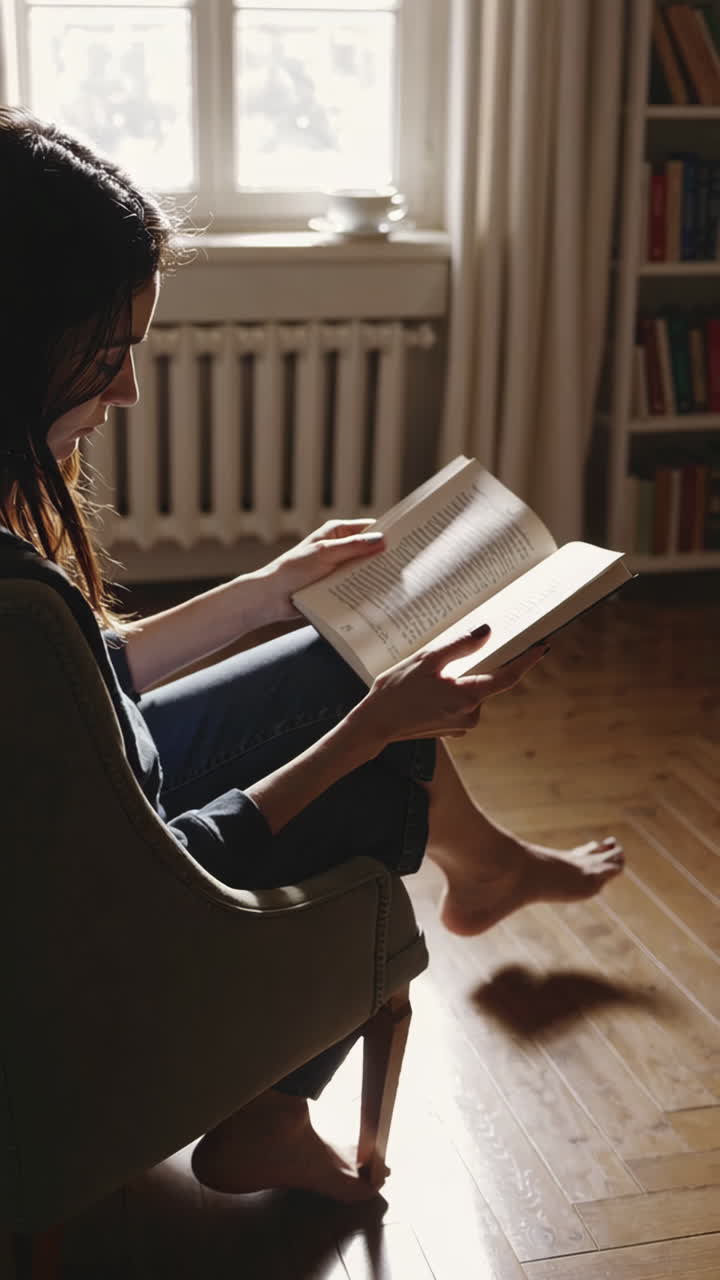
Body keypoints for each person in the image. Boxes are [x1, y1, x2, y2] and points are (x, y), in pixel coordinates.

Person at [0, 106, 624, 1205]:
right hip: (116, 902)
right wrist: (371, 732)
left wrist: (264, 589)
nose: (127, 395)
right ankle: (273, 1118)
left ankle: (484, 863)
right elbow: (174, 857)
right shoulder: (13, 603)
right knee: (381, 756)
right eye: (106, 359)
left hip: (90, 813)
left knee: (334, 656)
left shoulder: (19, 609)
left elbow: (88, 682)